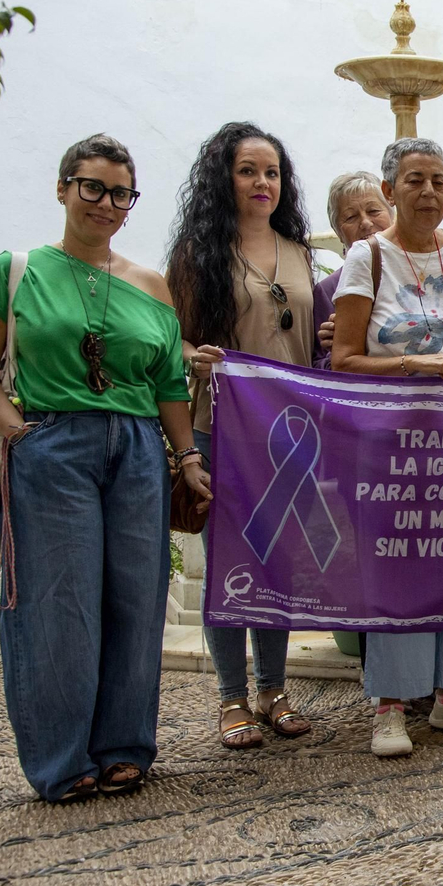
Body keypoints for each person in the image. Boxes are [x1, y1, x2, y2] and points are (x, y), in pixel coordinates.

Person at [0, 134, 211, 801]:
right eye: (92, 187)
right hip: (53, 443)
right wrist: (18, 431)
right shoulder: (16, 270)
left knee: (136, 599)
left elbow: (169, 385)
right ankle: (63, 760)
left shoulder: (150, 285)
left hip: (138, 449)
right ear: (64, 188)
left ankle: (124, 747)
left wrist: (187, 457)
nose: (106, 203)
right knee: (55, 602)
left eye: (121, 193)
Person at [330, 137, 443, 756]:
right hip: (395, 443)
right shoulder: (367, 258)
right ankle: (389, 707)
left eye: (438, 180)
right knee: (399, 566)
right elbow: (345, 359)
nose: (430, 191)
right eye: (415, 180)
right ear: (390, 190)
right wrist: (414, 361)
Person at [166, 122, 319, 748]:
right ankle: (231, 697)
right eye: (248, 170)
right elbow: (169, 340)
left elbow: (311, 333)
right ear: (222, 179)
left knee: (278, 563)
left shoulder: (301, 252)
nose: (262, 182)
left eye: (272, 172)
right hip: (222, 428)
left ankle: (273, 690)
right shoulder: (198, 254)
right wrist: (194, 357)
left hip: (292, 436)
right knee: (229, 563)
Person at [312, 171, 393, 368]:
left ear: (393, 215)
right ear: (338, 232)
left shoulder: (419, 269)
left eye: (374, 211)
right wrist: (339, 347)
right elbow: (318, 364)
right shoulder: (328, 290)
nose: (365, 222)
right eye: (351, 217)